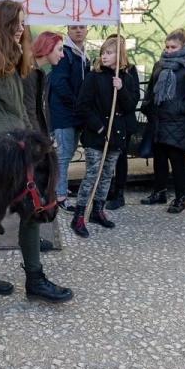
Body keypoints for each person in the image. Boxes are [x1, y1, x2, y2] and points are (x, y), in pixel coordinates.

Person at [0, 0, 73, 304]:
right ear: (5, 23)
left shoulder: (15, 57)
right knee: (3, 213)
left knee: (29, 210)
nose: (23, 29)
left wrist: (34, 143)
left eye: (24, 23)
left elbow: (20, 110)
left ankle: (17, 277)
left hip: (20, 149)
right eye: (19, 23)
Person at [69, 35, 138, 238]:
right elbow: (83, 106)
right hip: (96, 135)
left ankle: (98, 210)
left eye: (109, 53)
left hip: (116, 135)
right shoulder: (93, 76)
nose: (104, 56)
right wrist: (99, 127)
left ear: (119, 55)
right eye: (103, 53)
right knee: (92, 174)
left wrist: (121, 88)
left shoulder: (126, 77)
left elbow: (130, 106)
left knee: (107, 174)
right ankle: (80, 215)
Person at [140, 28, 185, 213]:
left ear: (184, 46)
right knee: (159, 158)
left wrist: (182, 108)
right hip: (158, 119)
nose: (168, 50)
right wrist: (147, 105)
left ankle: (180, 198)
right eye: (167, 46)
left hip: (179, 121)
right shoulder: (160, 63)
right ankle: (159, 193)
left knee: (177, 160)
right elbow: (151, 87)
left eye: (173, 47)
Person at [23, 31, 65, 252]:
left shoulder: (40, 72)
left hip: (39, 140)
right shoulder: (30, 73)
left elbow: (41, 111)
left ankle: (32, 238)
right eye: (59, 49)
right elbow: (29, 112)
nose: (62, 55)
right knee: (31, 193)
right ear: (48, 48)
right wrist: (39, 144)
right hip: (33, 143)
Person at [48, 24, 90, 212]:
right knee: (64, 155)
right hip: (64, 113)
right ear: (68, 31)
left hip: (75, 113)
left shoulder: (82, 54)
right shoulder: (65, 53)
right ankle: (59, 195)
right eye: (74, 28)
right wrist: (77, 103)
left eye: (81, 27)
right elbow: (58, 83)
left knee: (67, 153)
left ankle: (59, 187)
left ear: (87, 30)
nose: (78, 31)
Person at [105, 33, 141, 211]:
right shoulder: (102, 71)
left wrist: (121, 88)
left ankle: (119, 193)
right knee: (107, 157)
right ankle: (109, 188)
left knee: (120, 158)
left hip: (124, 123)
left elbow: (134, 98)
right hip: (109, 121)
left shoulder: (130, 70)